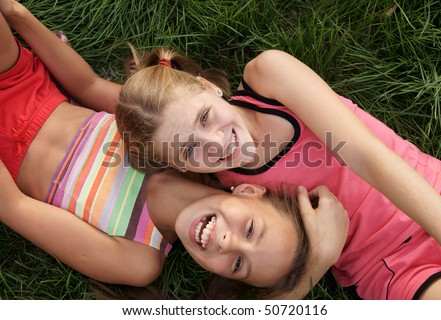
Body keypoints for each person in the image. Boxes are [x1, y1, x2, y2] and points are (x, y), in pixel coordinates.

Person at [0, 0, 348, 298]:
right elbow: (88, 85)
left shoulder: (139, 259)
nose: (228, 242)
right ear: (248, 191)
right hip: (20, 82)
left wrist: (310, 273)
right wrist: (16, 13)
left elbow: (14, 207)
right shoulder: (178, 146)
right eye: (251, 230)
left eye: (239, 264)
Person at [115, 43, 441, 298]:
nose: (216, 143)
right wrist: (317, 261)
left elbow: (363, 154)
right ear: (181, 166)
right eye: (189, 150)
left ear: (208, 87)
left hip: (432, 194)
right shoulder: (220, 189)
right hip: (390, 265)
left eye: (204, 117)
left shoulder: (267, 77)